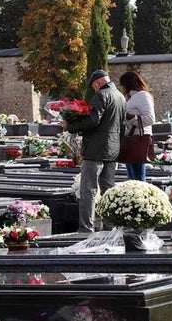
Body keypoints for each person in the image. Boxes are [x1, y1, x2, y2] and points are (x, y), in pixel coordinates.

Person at [61, 70, 126, 233]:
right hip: (112, 149)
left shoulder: (101, 95)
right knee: (109, 189)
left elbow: (92, 121)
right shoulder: (120, 96)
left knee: (88, 189)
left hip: (95, 150)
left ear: (97, 83)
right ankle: (110, 227)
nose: (94, 89)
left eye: (93, 86)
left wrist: (71, 126)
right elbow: (122, 126)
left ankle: (86, 228)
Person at [119, 71, 155, 181]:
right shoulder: (132, 97)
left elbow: (150, 119)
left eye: (122, 85)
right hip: (130, 139)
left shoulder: (143, 96)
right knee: (132, 178)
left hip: (138, 140)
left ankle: (141, 197)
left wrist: (130, 118)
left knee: (138, 177)